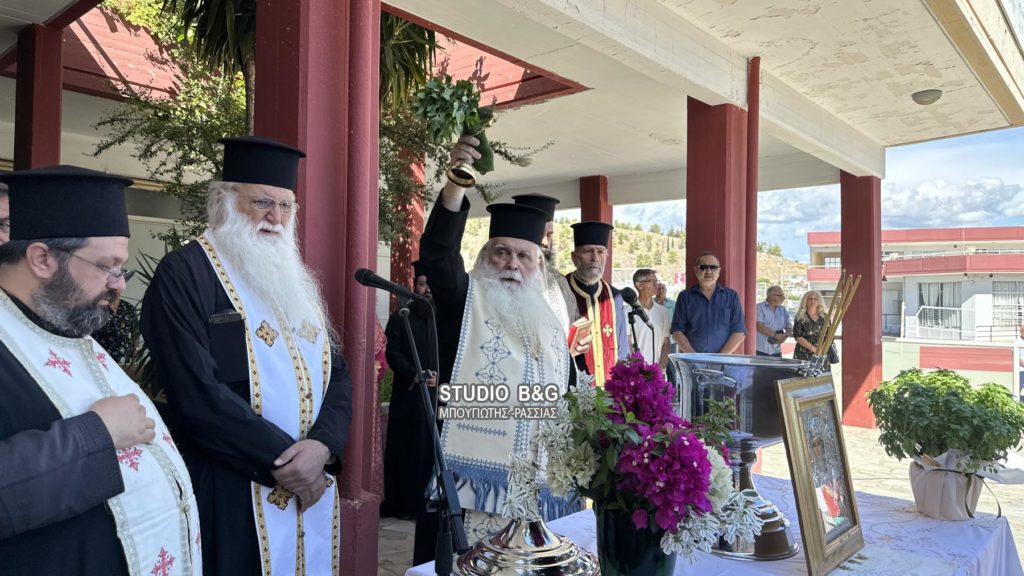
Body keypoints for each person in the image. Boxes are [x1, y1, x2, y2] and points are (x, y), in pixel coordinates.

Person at [141, 136, 353, 576]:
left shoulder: (294, 278)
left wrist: (322, 447)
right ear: (224, 202)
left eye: (286, 206)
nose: (275, 218)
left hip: (306, 481)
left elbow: (338, 375)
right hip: (229, 485)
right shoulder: (186, 272)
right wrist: (290, 464)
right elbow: (195, 393)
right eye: (261, 202)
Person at [0, 165, 200, 575]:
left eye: (120, 268)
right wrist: (98, 435)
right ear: (41, 259)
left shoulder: (69, 328)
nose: (119, 284)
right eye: (107, 266)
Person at [415, 135, 584, 563]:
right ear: (485, 256)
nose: (512, 264)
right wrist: (456, 183)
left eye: (523, 256)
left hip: (541, 484)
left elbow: (567, 392)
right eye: (502, 253)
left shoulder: (548, 319)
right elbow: (437, 254)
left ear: (538, 264)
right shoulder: (465, 298)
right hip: (474, 489)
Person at [381, 261, 436, 520]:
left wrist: (440, 377)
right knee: (406, 450)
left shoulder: (445, 321)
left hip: (439, 398)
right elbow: (393, 352)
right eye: (423, 284)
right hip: (409, 396)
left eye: (430, 284)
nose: (426, 290)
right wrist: (415, 375)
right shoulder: (401, 318)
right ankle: (401, 504)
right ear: (415, 286)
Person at [566, 221, 629, 386]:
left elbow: (622, 350)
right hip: (572, 388)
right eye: (588, 251)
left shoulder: (614, 296)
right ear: (574, 257)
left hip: (609, 392)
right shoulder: (561, 290)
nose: (595, 258)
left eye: (600, 252)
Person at [512, 193, 578, 330]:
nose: (545, 242)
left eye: (549, 235)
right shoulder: (503, 280)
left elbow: (573, 319)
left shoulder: (559, 279)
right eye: (539, 234)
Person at [671, 251, 746, 354]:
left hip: (723, 363)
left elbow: (739, 331)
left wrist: (720, 358)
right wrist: (693, 357)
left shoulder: (731, 296)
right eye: (703, 267)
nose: (708, 271)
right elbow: (677, 331)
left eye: (713, 267)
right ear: (696, 270)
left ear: (719, 271)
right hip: (691, 363)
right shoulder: (685, 297)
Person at [630, 268, 671, 368]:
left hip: (656, 373)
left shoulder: (663, 312)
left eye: (656, 281)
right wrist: (636, 367)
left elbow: (666, 343)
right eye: (651, 281)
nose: (655, 284)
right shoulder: (628, 311)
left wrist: (661, 368)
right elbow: (627, 342)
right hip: (634, 372)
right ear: (639, 285)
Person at [91, 292, 140, 365]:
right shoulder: (98, 307)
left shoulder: (129, 307)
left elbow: (135, 332)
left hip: (124, 357)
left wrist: (136, 349)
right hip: (100, 356)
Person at [755, 285, 792, 357]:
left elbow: (789, 326)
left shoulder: (782, 309)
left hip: (777, 351)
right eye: (781, 296)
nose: (783, 298)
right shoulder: (759, 307)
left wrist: (785, 336)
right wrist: (775, 336)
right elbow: (758, 326)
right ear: (770, 296)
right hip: (761, 350)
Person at [793, 290, 826, 361]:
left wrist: (822, 349)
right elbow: (798, 336)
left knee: (822, 372)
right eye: (810, 299)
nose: (812, 301)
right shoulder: (799, 316)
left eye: (815, 299)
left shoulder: (825, 317)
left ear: (819, 301)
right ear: (805, 301)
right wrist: (813, 349)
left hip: (821, 353)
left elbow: (829, 335)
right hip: (803, 353)